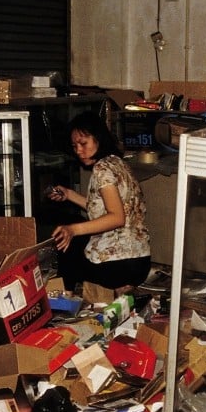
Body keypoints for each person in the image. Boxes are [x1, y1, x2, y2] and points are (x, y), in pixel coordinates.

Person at [49, 112, 151, 295]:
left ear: (99, 139)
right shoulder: (117, 162)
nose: (78, 150)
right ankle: (120, 289)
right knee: (75, 236)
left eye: (83, 143)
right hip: (140, 263)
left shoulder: (101, 169)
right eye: (75, 146)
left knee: (68, 242)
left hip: (116, 265)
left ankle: (64, 299)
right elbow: (103, 208)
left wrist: (72, 230)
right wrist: (69, 194)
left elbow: (116, 218)